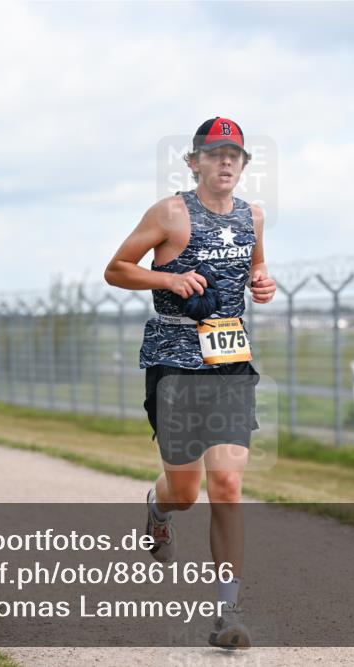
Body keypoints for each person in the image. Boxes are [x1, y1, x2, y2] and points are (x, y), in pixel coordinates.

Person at [104, 116, 277, 649]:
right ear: (194, 161)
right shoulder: (170, 212)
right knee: (186, 490)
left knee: (226, 485)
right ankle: (158, 508)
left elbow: (257, 268)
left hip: (229, 358)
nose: (225, 162)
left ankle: (227, 615)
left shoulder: (254, 216)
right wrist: (168, 277)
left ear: (243, 165)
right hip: (175, 360)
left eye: (234, 155)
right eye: (215, 153)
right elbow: (116, 269)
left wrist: (263, 283)